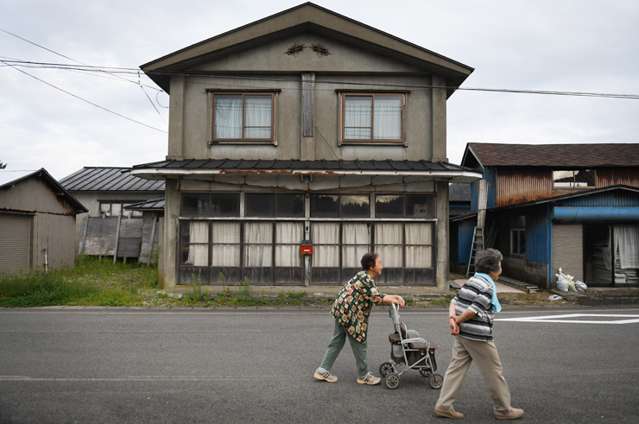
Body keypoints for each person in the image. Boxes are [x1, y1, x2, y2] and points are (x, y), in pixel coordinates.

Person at [434, 248, 524, 420]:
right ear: (494, 269)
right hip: (477, 336)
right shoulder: (488, 287)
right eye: (500, 265)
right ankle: (503, 409)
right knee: (493, 371)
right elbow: (473, 311)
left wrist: (453, 320)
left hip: (462, 334)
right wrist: (458, 320)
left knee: (456, 368)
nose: (501, 268)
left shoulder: (472, 281)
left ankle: (443, 405)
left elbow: (454, 301)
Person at [313, 252, 405, 385]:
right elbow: (377, 298)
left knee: (337, 340)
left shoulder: (363, 276)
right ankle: (363, 375)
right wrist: (395, 298)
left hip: (341, 310)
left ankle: (322, 370)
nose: (382, 265)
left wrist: (395, 297)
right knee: (360, 342)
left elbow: (375, 294)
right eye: (379, 263)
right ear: (371, 266)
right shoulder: (366, 279)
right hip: (350, 314)